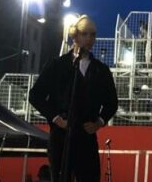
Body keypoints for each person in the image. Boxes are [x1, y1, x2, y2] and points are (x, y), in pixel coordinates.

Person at [29, 15, 118, 182]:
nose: (90, 39)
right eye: (85, 34)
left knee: (89, 177)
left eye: (93, 34)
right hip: (61, 135)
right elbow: (36, 95)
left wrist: (99, 122)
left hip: (86, 135)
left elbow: (112, 103)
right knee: (61, 176)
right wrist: (56, 118)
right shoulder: (57, 65)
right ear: (75, 35)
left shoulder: (101, 70)